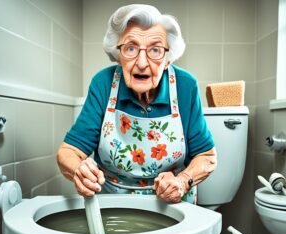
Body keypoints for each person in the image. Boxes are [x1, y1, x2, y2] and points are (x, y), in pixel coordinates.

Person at [56, 4, 216, 203]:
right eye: (131, 48)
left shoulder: (185, 86)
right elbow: (68, 152)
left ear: (167, 59)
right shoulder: (103, 83)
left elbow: (207, 156)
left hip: (172, 205)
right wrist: (79, 170)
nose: (141, 62)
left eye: (155, 50)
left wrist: (182, 181)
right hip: (112, 205)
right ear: (118, 55)